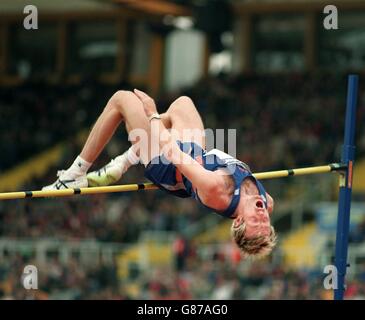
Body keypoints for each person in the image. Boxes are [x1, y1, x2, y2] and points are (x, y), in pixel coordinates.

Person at [43, 89, 277, 258]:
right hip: (195, 153)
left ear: (237, 222)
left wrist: (153, 114)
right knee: (182, 104)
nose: (263, 216)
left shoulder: (216, 190)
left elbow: (173, 154)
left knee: (121, 99)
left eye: (256, 221)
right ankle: (128, 156)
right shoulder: (267, 202)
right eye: (266, 222)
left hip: (166, 163)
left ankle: (75, 172)